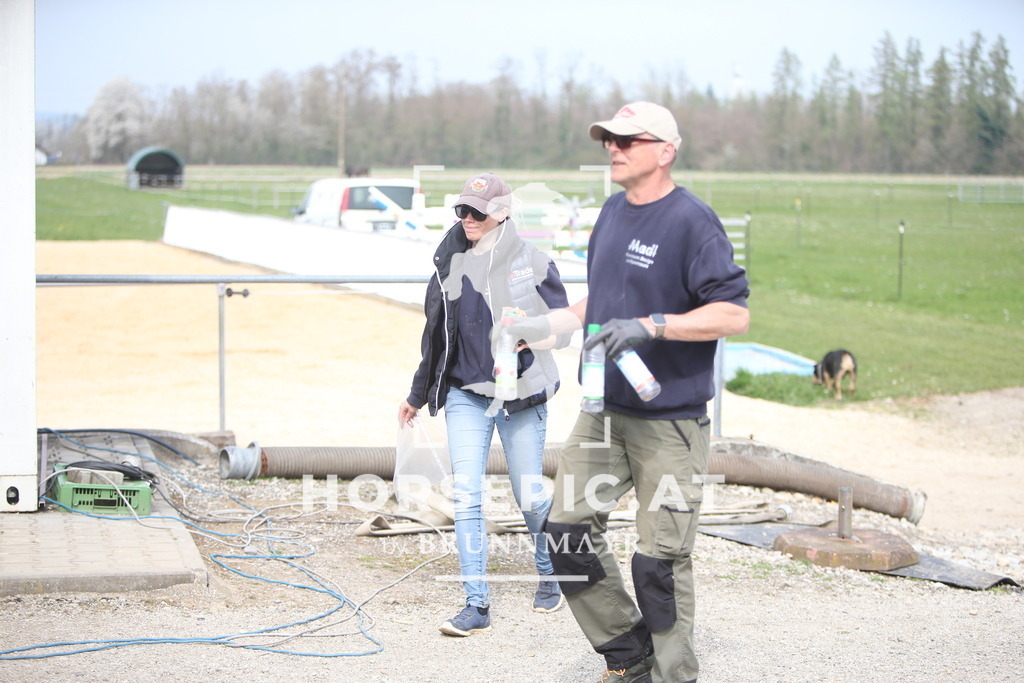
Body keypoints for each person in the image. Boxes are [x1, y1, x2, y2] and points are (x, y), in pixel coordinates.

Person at [504, 102, 750, 681]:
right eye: (608, 140)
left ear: (665, 151)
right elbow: (601, 305)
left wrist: (654, 325)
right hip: (604, 411)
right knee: (564, 537)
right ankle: (629, 654)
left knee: (659, 563)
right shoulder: (612, 213)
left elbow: (732, 316)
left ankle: (673, 675)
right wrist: (543, 328)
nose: (613, 148)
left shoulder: (692, 221)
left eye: (628, 140)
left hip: (670, 422)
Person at [398, 172, 571, 637]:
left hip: (520, 396)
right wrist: (418, 395)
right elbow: (435, 336)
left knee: (530, 496)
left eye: (478, 212)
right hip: (465, 395)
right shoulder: (448, 262)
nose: (468, 219)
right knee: (467, 496)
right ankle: (476, 603)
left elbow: (566, 327)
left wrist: (533, 334)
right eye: (462, 210)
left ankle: (549, 567)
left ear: (503, 213)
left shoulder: (531, 261)